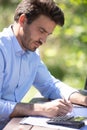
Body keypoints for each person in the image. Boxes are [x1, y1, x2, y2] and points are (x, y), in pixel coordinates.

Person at [0, 0, 87, 129]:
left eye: (48, 34)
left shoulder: (32, 53)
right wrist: (38, 108)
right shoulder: (2, 49)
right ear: (23, 20)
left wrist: (83, 100)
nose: (44, 40)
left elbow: (49, 85)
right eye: (41, 31)